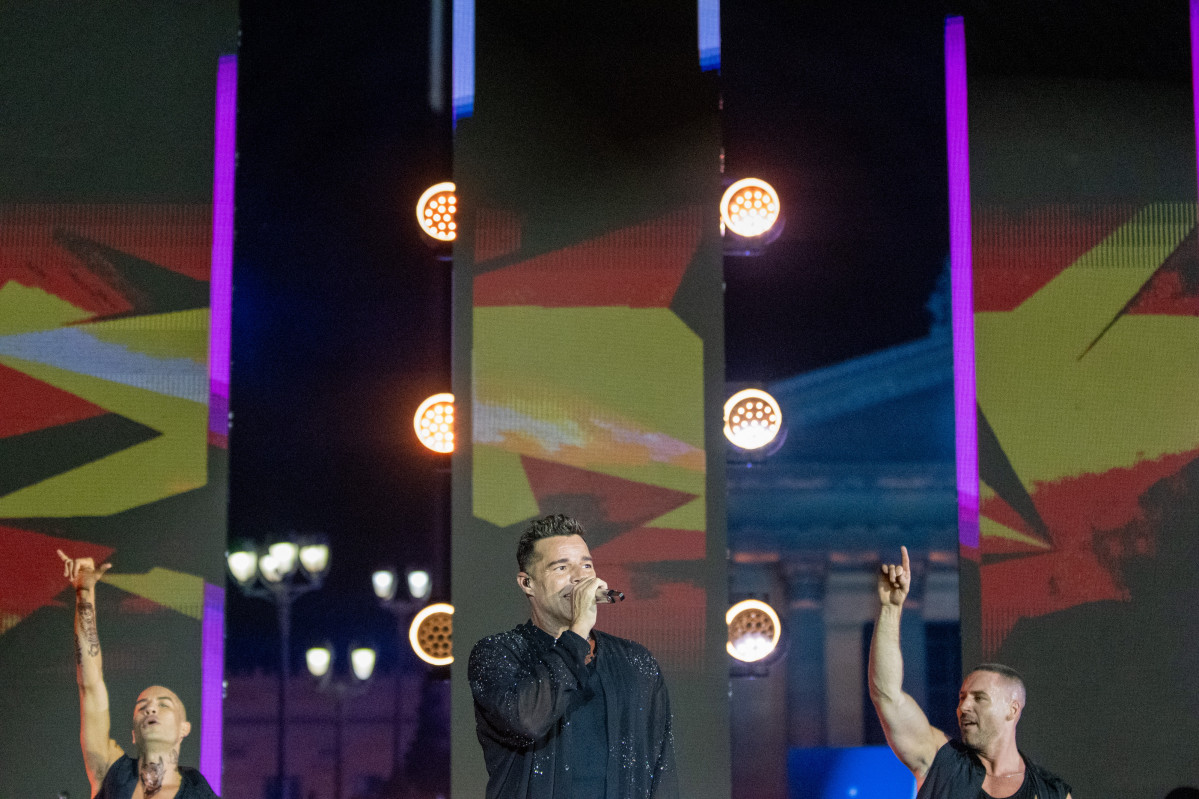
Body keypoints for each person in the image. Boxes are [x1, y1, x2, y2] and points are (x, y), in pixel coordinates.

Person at [468, 514, 678, 799]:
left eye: (587, 565)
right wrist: (577, 631)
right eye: (562, 567)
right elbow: (526, 722)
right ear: (527, 583)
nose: (580, 577)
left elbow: (661, 765)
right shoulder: (497, 653)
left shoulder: (634, 660)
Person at [868, 546, 1072, 799]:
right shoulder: (942, 763)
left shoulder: (1049, 792)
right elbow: (887, 695)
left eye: (979, 698)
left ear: (1012, 709)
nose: (963, 707)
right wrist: (890, 608)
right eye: (962, 697)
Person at [59, 550, 218, 799]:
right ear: (133, 733)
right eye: (141, 706)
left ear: (184, 728)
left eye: (164, 705)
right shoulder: (112, 773)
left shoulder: (198, 793)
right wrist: (84, 592)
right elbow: (90, 685)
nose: (150, 709)